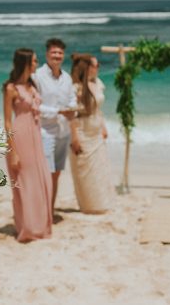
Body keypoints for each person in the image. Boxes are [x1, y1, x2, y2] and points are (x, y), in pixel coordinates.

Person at [2, 49, 53, 241]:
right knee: (25, 183)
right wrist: (13, 151)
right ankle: (28, 228)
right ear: (24, 63)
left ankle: (40, 225)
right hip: (21, 136)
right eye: (34, 61)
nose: (36, 64)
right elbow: (7, 121)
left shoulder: (33, 85)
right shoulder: (11, 88)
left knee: (42, 180)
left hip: (36, 136)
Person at [32, 38, 77, 210]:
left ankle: (49, 210)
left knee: (56, 174)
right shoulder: (38, 76)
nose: (57, 56)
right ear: (47, 54)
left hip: (63, 132)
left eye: (60, 53)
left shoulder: (67, 77)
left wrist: (72, 108)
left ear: (63, 55)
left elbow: (72, 99)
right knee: (46, 174)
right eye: (54, 52)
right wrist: (58, 111)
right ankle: (41, 211)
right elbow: (35, 106)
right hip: (45, 131)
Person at [68, 54, 114, 214]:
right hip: (82, 129)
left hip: (95, 128)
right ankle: (89, 205)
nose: (98, 68)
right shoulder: (76, 87)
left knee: (99, 168)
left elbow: (98, 109)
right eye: (95, 65)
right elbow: (71, 114)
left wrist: (103, 126)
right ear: (87, 68)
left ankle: (101, 203)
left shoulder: (97, 83)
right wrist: (74, 136)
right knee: (85, 169)